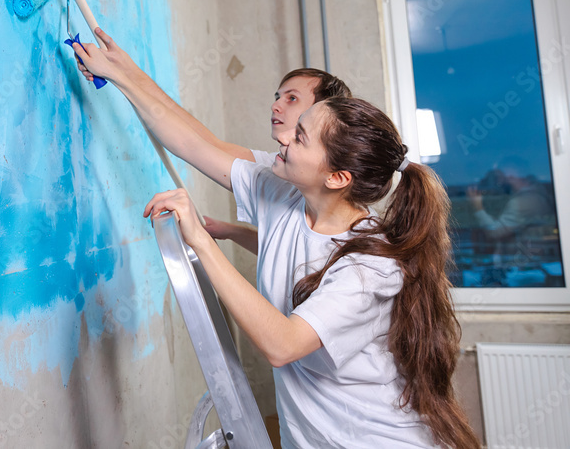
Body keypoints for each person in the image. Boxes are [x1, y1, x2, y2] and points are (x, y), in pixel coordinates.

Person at [72, 29, 477, 448]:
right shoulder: (286, 188)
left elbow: (282, 345)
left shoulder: (371, 267)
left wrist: (201, 241)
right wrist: (125, 74)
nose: (282, 137)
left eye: (299, 136)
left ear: (337, 178)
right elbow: (196, 143)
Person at [73, 35, 351, 253]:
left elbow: (191, 144)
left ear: (324, 114)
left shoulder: (345, 231)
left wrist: (120, 78)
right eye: (278, 95)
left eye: (291, 98)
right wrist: (128, 71)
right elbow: (203, 141)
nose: (275, 104)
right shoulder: (276, 168)